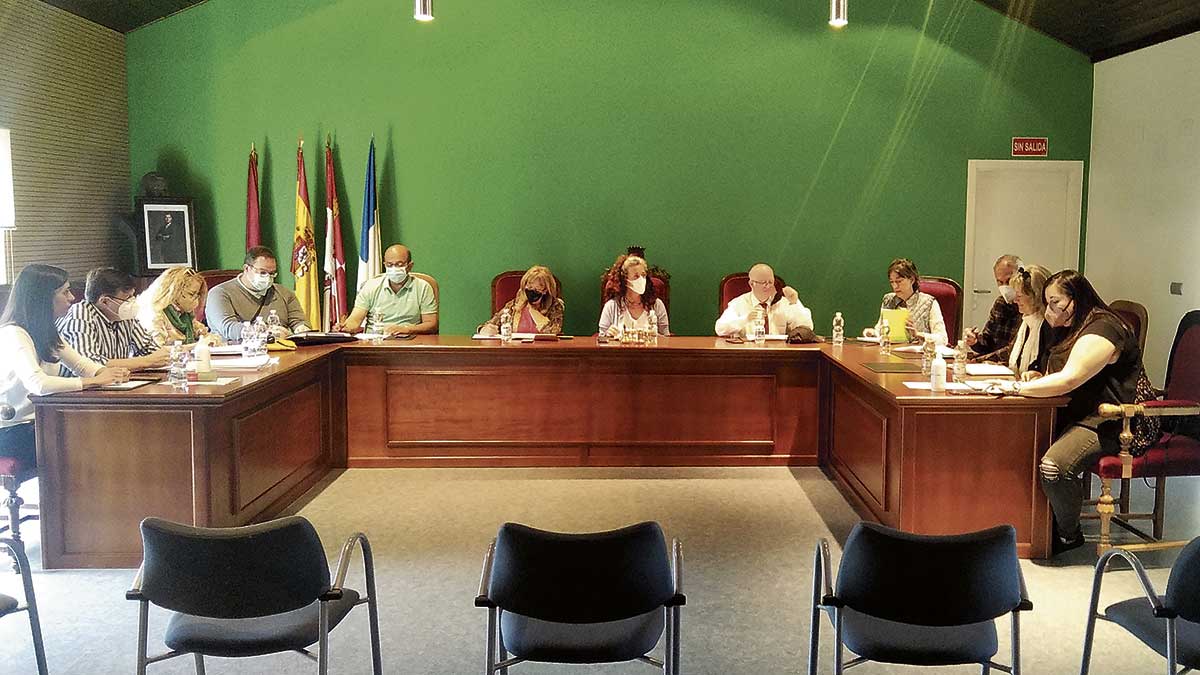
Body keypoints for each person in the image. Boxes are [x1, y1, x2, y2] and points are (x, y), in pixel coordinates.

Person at [996, 270, 1147, 554]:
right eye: (1047, 303)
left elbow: (1070, 379)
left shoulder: (1104, 328)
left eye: (1055, 302)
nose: (1050, 310)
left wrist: (1016, 389)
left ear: (1076, 300)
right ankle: (1028, 524)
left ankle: (1068, 533)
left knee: (1054, 467)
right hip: (1070, 414)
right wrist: (1033, 374)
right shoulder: (1068, 326)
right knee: (1014, 446)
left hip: (1107, 421)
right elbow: (1047, 365)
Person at [1, 264, 129, 470]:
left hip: (42, 422)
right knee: (93, 445)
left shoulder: (46, 331)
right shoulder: (14, 334)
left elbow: (82, 365)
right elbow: (39, 384)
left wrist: (107, 373)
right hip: (13, 431)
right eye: (65, 291)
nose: (72, 297)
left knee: (109, 435)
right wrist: (94, 381)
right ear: (42, 298)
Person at [56, 267, 170, 373]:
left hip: (115, 383)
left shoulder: (123, 315)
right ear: (105, 301)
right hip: (80, 391)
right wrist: (147, 361)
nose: (132, 302)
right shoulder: (80, 315)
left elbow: (150, 350)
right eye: (127, 298)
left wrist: (168, 354)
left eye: (132, 296)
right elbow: (89, 363)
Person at [205, 246, 311, 342]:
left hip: (280, 352)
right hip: (237, 356)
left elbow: (299, 321)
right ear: (246, 268)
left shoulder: (285, 294)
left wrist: (301, 329)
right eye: (262, 272)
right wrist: (266, 333)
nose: (268, 277)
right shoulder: (219, 294)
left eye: (272, 273)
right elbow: (229, 328)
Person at [336, 244, 438, 335]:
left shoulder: (423, 287)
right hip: (375, 342)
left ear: (410, 266)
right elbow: (355, 320)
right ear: (385, 265)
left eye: (399, 264)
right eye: (390, 265)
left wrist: (407, 329)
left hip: (408, 342)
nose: (394, 268)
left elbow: (431, 324)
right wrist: (345, 328)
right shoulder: (371, 286)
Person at [971, 264, 1052, 376]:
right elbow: (1013, 356)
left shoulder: (1047, 328)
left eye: (1019, 296)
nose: (1015, 301)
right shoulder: (1026, 323)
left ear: (1035, 296)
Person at [862, 258, 948, 344]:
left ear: (912, 280)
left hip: (918, 355)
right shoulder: (888, 300)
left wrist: (918, 334)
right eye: (892, 282)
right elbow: (881, 330)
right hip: (890, 352)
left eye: (899, 281)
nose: (895, 286)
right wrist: (873, 333)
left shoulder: (929, 303)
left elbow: (943, 339)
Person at [715, 263, 812, 337]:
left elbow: (807, 328)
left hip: (779, 355)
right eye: (764, 283)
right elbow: (720, 329)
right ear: (752, 284)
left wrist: (795, 303)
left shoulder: (783, 302)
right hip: (747, 355)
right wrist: (745, 319)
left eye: (771, 282)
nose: (768, 286)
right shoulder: (739, 303)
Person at [138, 266, 220, 346]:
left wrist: (210, 340)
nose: (196, 300)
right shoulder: (154, 315)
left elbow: (206, 335)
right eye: (191, 294)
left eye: (197, 295)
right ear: (175, 292)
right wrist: (197, 345)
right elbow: (157, 351)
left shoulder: (185, 315)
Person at [479, 265, 564, 335]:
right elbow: (491, 323)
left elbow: (553, 332)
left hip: (543, 352)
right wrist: (484, 330)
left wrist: (532, 310)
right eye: (529, 287)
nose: (531, 291)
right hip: (515, 351)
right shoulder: (513, 305)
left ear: (545, 290)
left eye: (537, 288)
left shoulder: (555, 305)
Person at [965, 255, 1024, 355]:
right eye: (1000, 282)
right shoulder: (1000, 303)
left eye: (1009, 281)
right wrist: (975, 341)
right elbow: (987, 342)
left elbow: (1012, 351)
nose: (1004, 287)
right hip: (993, 364)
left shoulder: (1030, 307)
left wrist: (981, 360)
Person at [598, 254, 669, 337]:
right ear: (625, 280)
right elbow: (601, 339)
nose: (641, 280)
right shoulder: (611, 306)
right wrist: (608, 335)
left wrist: (655, 336)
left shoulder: (657, 305)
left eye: (643, 275)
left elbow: (667, 339)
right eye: (636, 276)